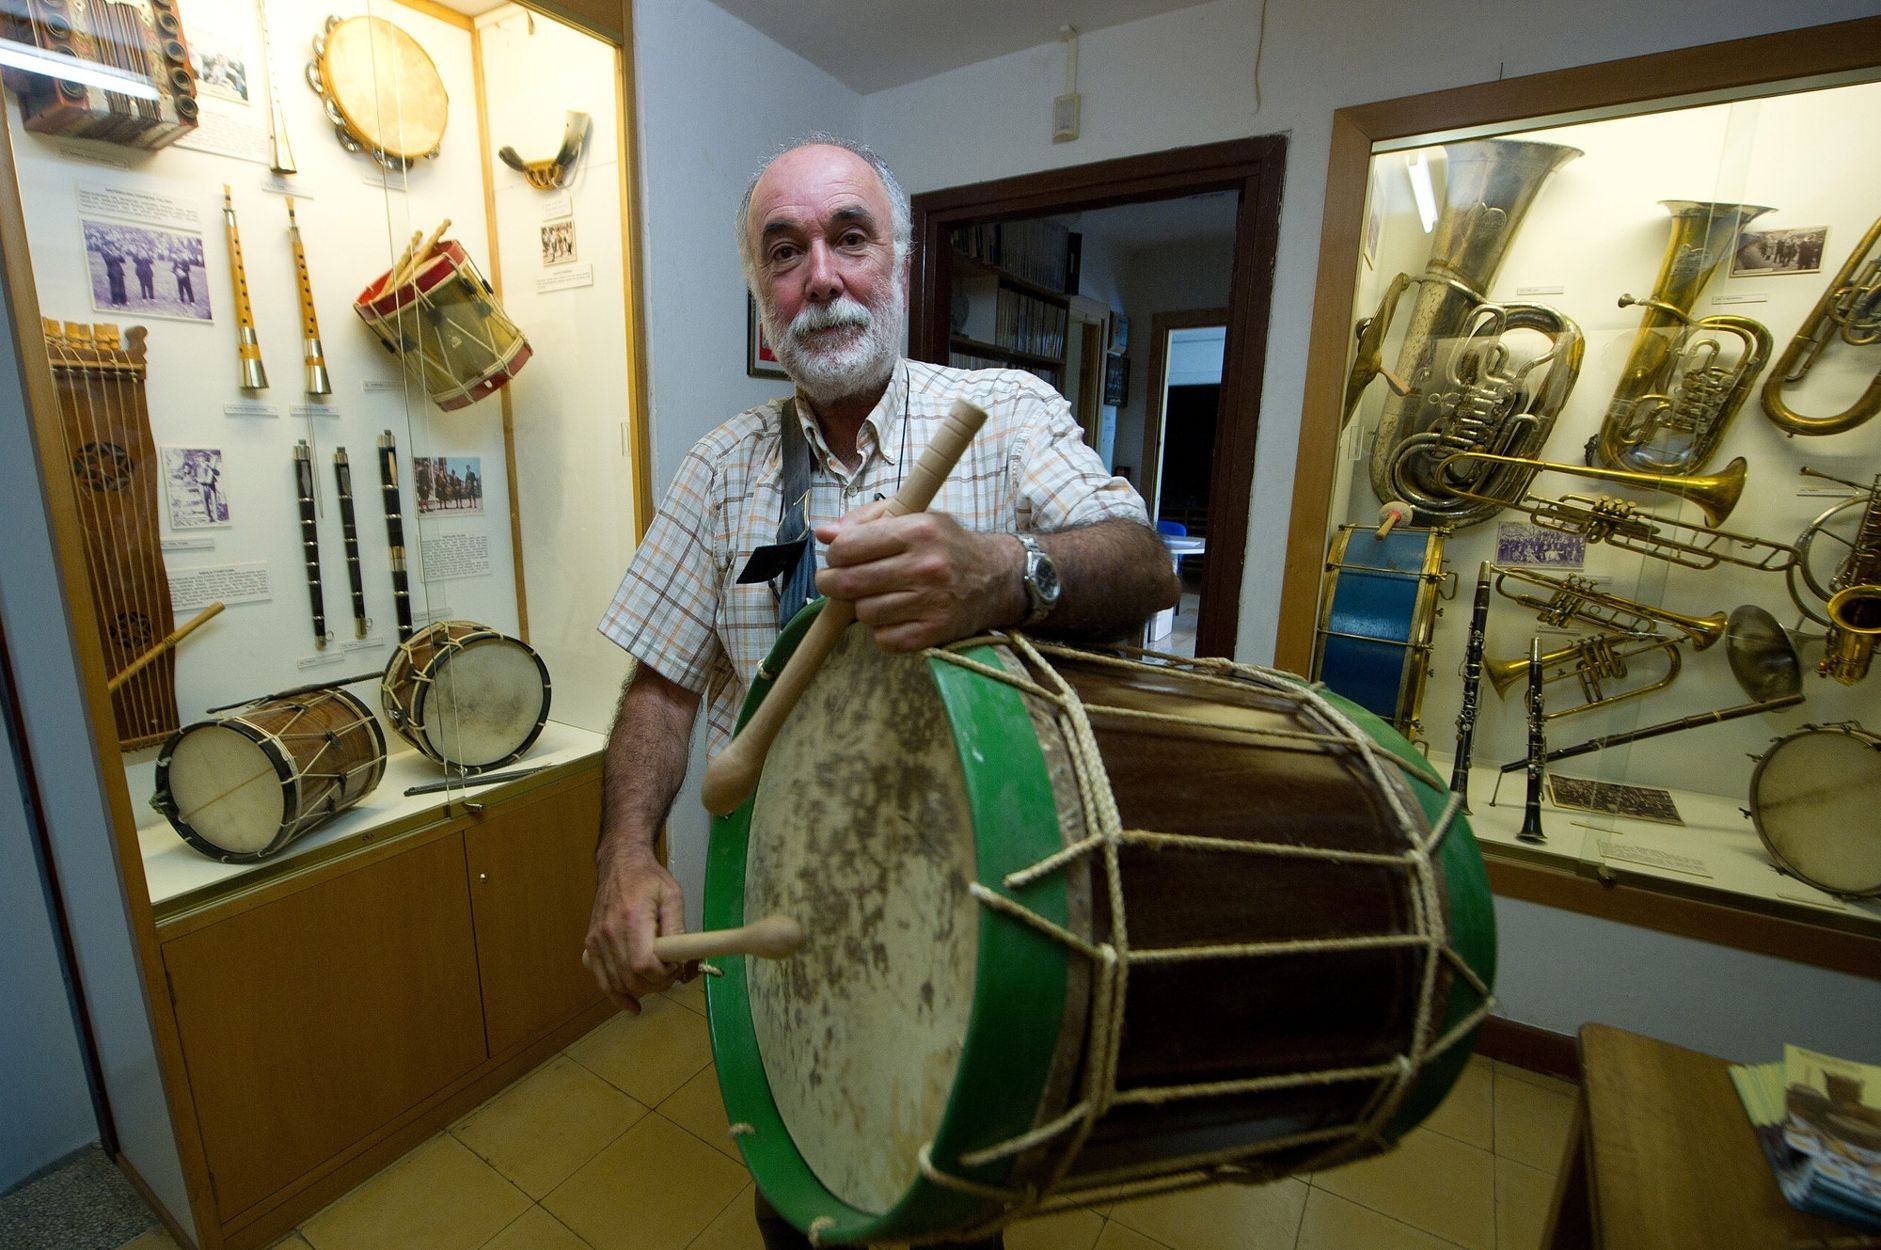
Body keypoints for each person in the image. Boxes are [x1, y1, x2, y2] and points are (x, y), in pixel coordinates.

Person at [585, 134, 1177, 1250]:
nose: (821, 276)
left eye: (849, 238)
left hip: (975, 904)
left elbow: (1146, 566)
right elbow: (661, 685)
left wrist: (1006, 570)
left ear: (898, 264)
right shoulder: (720, 469)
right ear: (762, 292)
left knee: (942, 1203)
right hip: (779, 904)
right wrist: (626, 854)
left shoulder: (1002, 413)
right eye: (785, 251)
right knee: (804, 1193)